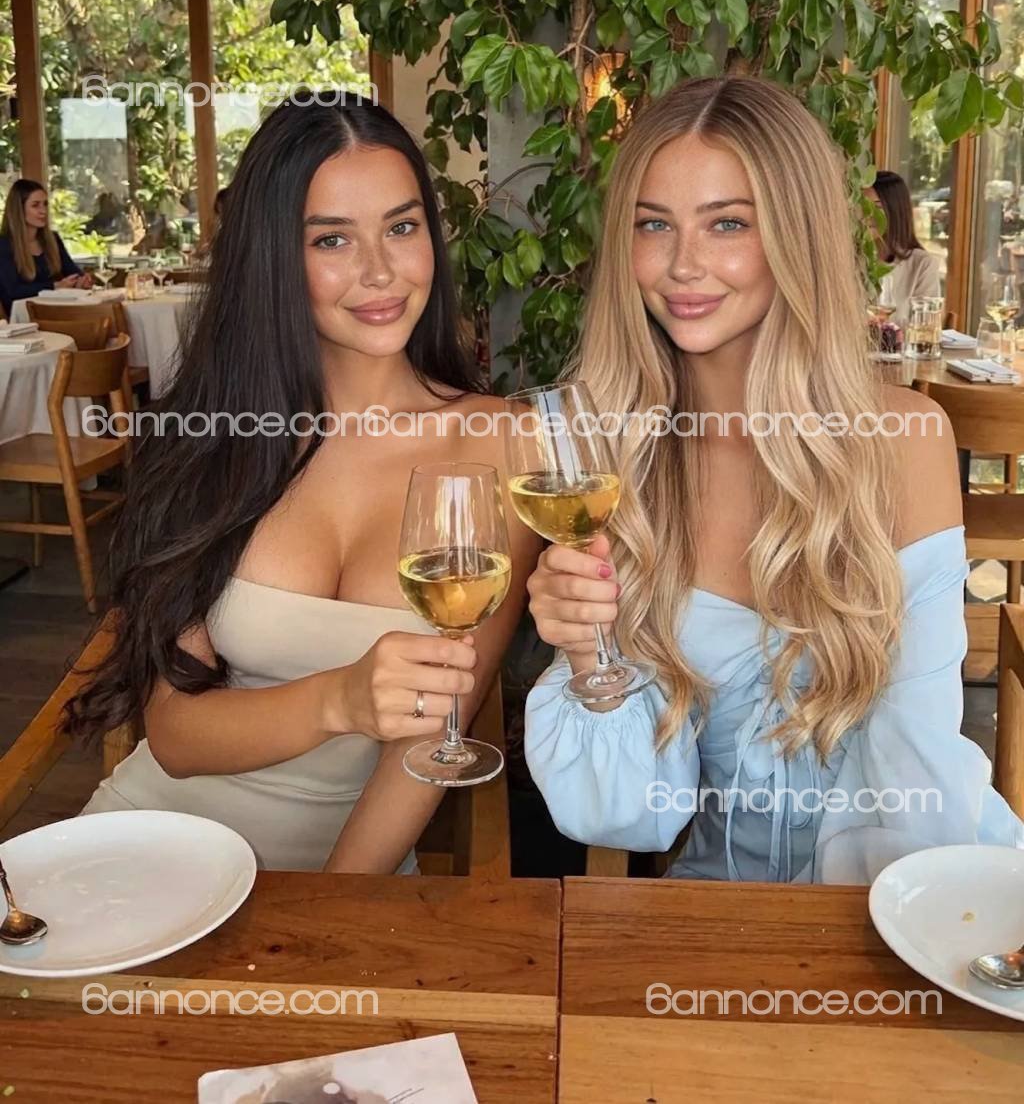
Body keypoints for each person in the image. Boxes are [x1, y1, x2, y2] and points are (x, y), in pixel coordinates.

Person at [523, 76, 1024, 884]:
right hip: (721, 913)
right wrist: (587, 656)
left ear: (797, 235)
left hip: (920, 890)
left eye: (727, 223)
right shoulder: (610, 461)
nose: (683, 265)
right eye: (654, 224)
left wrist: (862, 947)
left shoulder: (901, 440)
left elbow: (915, 764)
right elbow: (631, 815)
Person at [64, 91, 542, 872]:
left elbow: (434, 736)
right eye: (332, 239)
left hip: (350, 871)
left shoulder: (506, 443)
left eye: (402, 227)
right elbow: (176, 736)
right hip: (155, 838)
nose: (379, 271)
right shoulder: (219, 434)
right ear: (275, 258)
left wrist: (334, 916)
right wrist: (339, 699)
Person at [0, 178, 92, 317]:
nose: (43, 211)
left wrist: (82, 280)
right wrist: (54, 286)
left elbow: (72, 272)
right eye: (35, 205)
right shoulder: (4, 245)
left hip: (57, 310)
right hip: (25, 317)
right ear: (19, 209)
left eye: (45, 204)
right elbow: (13, 291)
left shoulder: (52, 239)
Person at [867, 170, 942, 321]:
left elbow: (925, 326)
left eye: (877, 207)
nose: (867, 214)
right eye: (863, 205)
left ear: (895, 211)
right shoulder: (850, 260)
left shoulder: (922, 264)